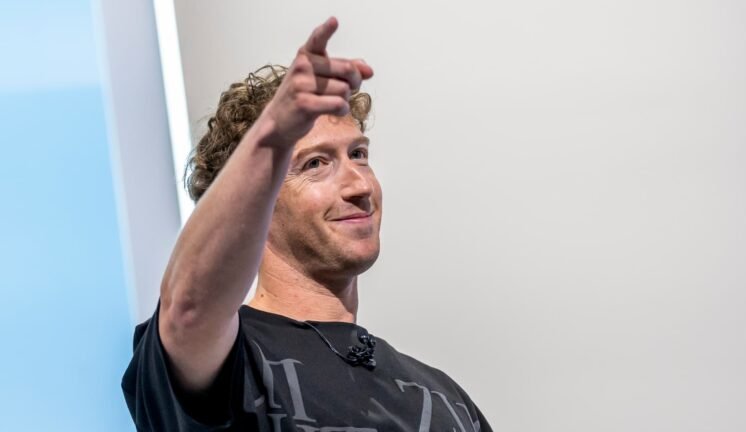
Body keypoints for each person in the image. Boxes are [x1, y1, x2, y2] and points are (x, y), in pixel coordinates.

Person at [122, 17, 493, 431]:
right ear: (256, 205)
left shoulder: (444, 399)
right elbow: (188, 309)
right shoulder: (228, 360)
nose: (359, 185)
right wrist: (272, 134)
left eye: (358, 155)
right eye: (315, 164)